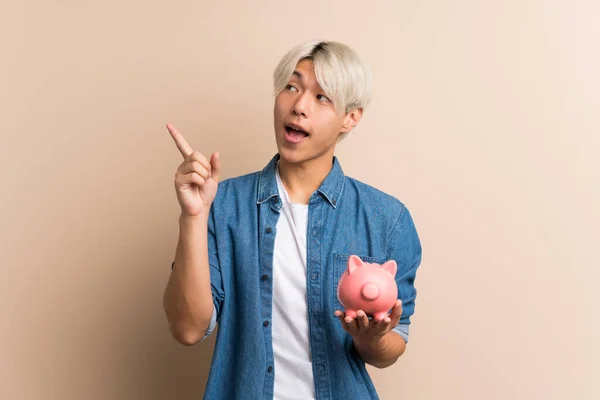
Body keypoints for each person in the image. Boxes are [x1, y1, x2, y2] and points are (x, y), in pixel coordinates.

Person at [162, 40, 423, 400]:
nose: (299, 105)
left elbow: (395, 342)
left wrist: (373, 339)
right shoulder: (224, 205)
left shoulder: (386, 218)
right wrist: (192, 216)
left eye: (321, 97)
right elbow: (187, 330)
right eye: (292, 86)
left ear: (351, 116)